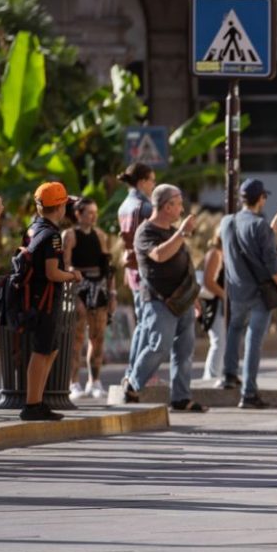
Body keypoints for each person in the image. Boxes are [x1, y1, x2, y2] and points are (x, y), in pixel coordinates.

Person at [122, 185, 206, 413]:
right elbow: (159, 255)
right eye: (178, 203)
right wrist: (182, 234)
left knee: (185, 350)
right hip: (159, 300)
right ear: (167, 206)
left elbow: (185, 264)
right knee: (160, 345)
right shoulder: (146, 231)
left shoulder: (172, 230)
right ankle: (133, 384)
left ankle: (181, 397)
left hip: (183, 300)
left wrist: (194, 297)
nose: (181, 208)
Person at [220, 178, 277, 408]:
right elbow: (272, 266)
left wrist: (272, 232)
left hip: (236, 290)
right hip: (260, 293)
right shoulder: (260, 226)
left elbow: (243, 247)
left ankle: (229, 375)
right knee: (253, 340)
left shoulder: (226, 222)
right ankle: (248, 393)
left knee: (235, 329)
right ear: (261, 198)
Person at [19, 183, 82, 421]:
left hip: (34, 298)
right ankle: (32, 404)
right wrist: (73, 275)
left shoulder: (33, 228)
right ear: (60, 207)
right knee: (42, 349)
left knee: (50, 349)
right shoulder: (53, 236)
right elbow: (52, 272)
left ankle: (37, 401)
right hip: (44, 299)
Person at [62, 198, 115, 400]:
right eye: (89, 212)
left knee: (98, 336)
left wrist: (112, 293)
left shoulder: (100, 235)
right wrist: (73, 291)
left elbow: (108, 267)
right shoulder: (69, 235)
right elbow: (64, 266)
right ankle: (73, 382)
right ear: (78, 214)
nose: (93, 216)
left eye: (95, 212)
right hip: (78, 286)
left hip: (98, 286)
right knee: (76, 339)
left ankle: (95, 381)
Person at [117, 163, 155, 388]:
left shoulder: (124, 205)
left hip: (131, 268)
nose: (154, 185)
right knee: (147, 323)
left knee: (142, 321)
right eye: (152, 180)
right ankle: (136, 373)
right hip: (145, 269)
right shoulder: (145, 206)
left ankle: (134, 371)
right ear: (142, 182)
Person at [199, 230, 225, 381]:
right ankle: (211, 377)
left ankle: (215, 375)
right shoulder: (215, 253)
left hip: (219, 303)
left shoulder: (223, 253)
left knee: (221, 342)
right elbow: (208, 281)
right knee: (218, 341)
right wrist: (225, 296)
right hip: (215, 304)